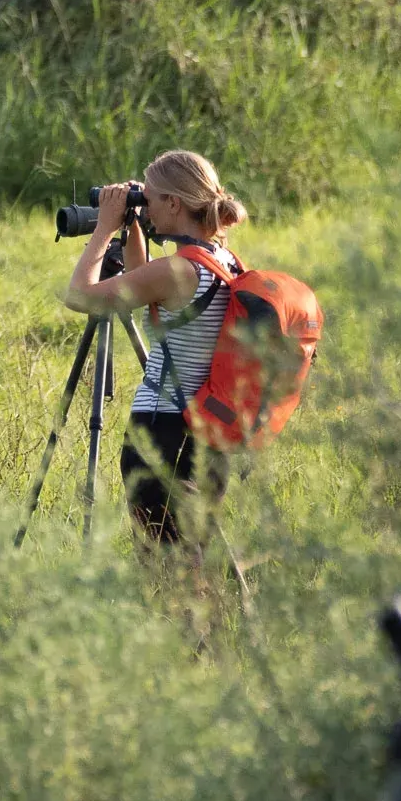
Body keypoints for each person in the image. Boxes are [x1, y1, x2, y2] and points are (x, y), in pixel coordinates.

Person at [57, 149, 250, 547]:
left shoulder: (177, 270)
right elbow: (142, 282)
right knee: (194, 554)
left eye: (152, 198)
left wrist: (105, 228)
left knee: (166, 566)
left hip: (162, 433)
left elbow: (79, 296)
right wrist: (133, 230)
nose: (148, 207)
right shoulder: (224, 261)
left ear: (174, 203)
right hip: (208, 432)